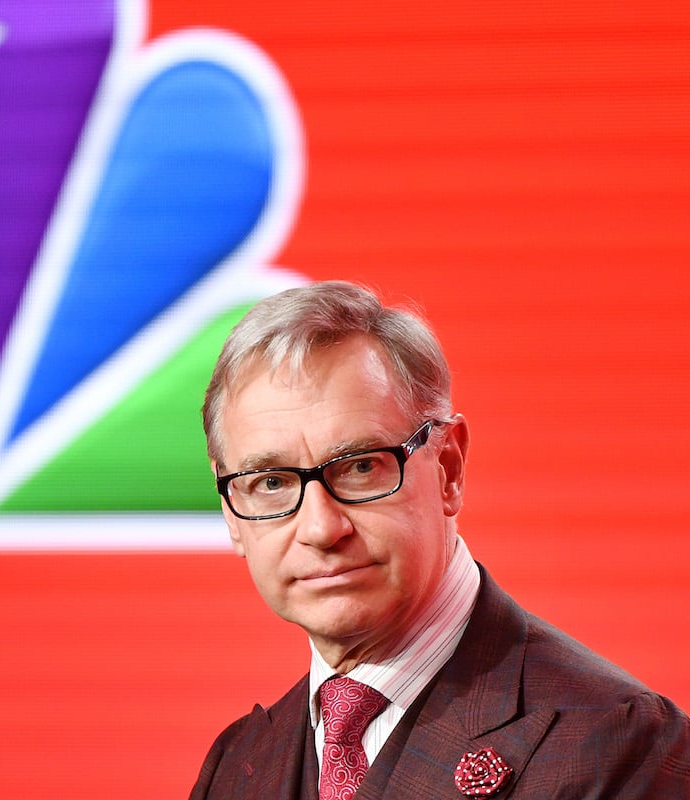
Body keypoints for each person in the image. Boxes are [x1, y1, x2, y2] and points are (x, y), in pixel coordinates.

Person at [188, 280, 690, 799]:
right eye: (271, 482)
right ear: (231, 510)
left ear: (448, 468)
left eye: (361, 467)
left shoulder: (622, 745)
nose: (320, 528)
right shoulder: (236, 767)